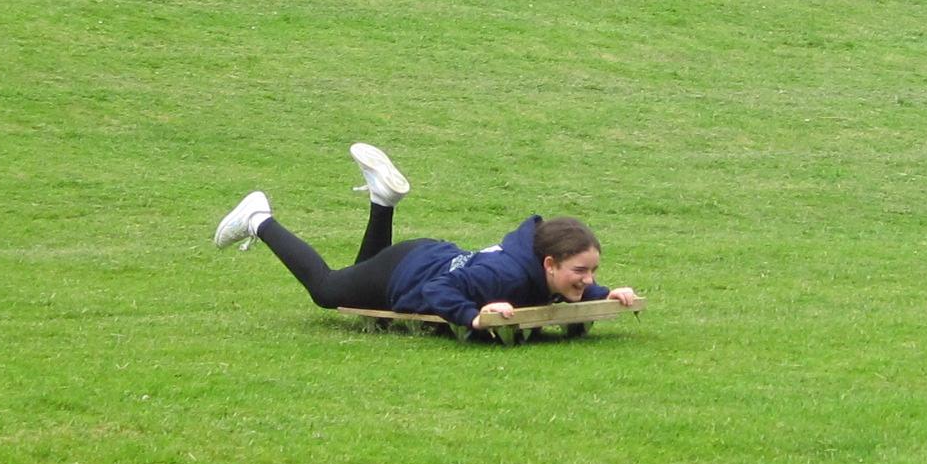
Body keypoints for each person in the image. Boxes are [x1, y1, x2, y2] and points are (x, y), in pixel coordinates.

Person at [216, 143, 642, 329]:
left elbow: (567, 288)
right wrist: (473, 315)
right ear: (549, 263)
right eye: (581, 271)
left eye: (592, 271)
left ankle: (382, 201)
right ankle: (259, 219)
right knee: (328, 290)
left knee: (356, 285)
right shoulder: (506, 276)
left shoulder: (535, 268)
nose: (587, 278)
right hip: (407, 270)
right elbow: (439, 289)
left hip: (424, 256)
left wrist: (605, 294)